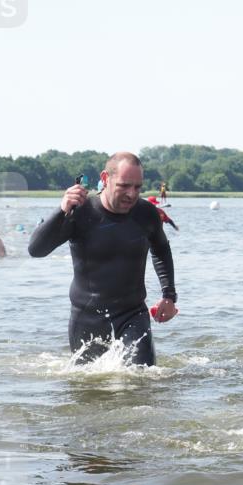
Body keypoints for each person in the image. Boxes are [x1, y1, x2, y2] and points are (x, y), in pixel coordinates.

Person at [28, 151, 178, 366]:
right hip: (86, 319)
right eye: (124, 185)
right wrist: (61, 211)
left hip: (133, 315)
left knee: (142, 378)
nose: (132, 194)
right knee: (88, 390)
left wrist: (169, 295)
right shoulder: (80, 213)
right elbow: (36, 249)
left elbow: (162, 250)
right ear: (106, 179)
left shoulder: (146, 214)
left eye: (137, 187)